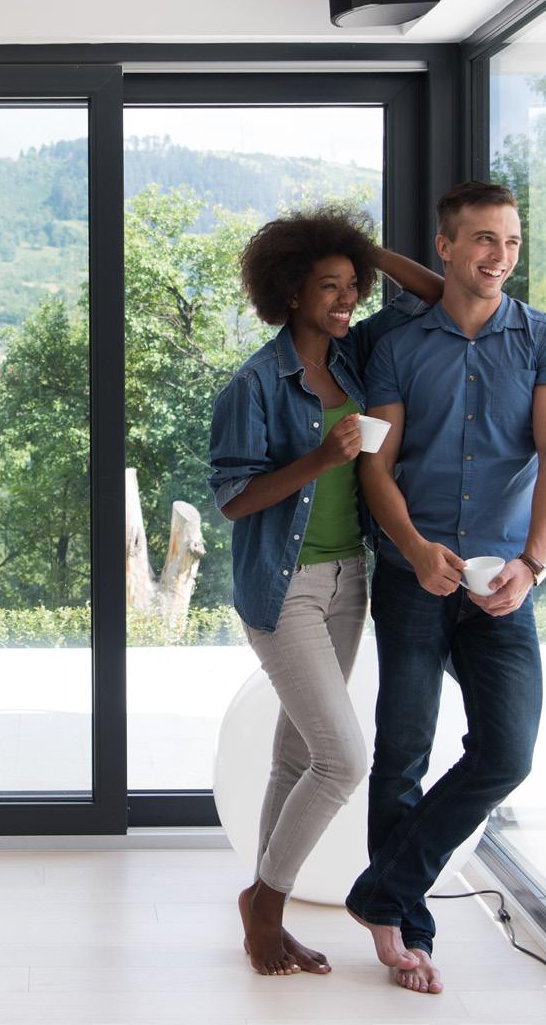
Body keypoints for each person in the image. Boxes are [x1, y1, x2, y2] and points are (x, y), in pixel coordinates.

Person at [345, 180, 546, 994]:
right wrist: (413, 549)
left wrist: (533, 563)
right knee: (402, 751)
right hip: (413, 575)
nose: (500, 255)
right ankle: (404, 930)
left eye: (511, 241)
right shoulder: (397, 347)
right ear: (445, 245)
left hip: (503, 578)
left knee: (507, 752)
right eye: (483, 238)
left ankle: (382, 890)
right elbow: (375, 465)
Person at [208, 203, 444, 976]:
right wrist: (319, 458)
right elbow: (234, 499)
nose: (346, 300)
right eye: (328, 286)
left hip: (349, 580)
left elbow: (434, 298)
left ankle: (263, 909)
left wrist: (362, 250)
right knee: (342, 760)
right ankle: (265, 906)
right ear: (290, 293)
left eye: (352, 286)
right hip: (285, 590)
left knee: (295, 756)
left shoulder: (354, 355)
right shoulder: (255, 383)